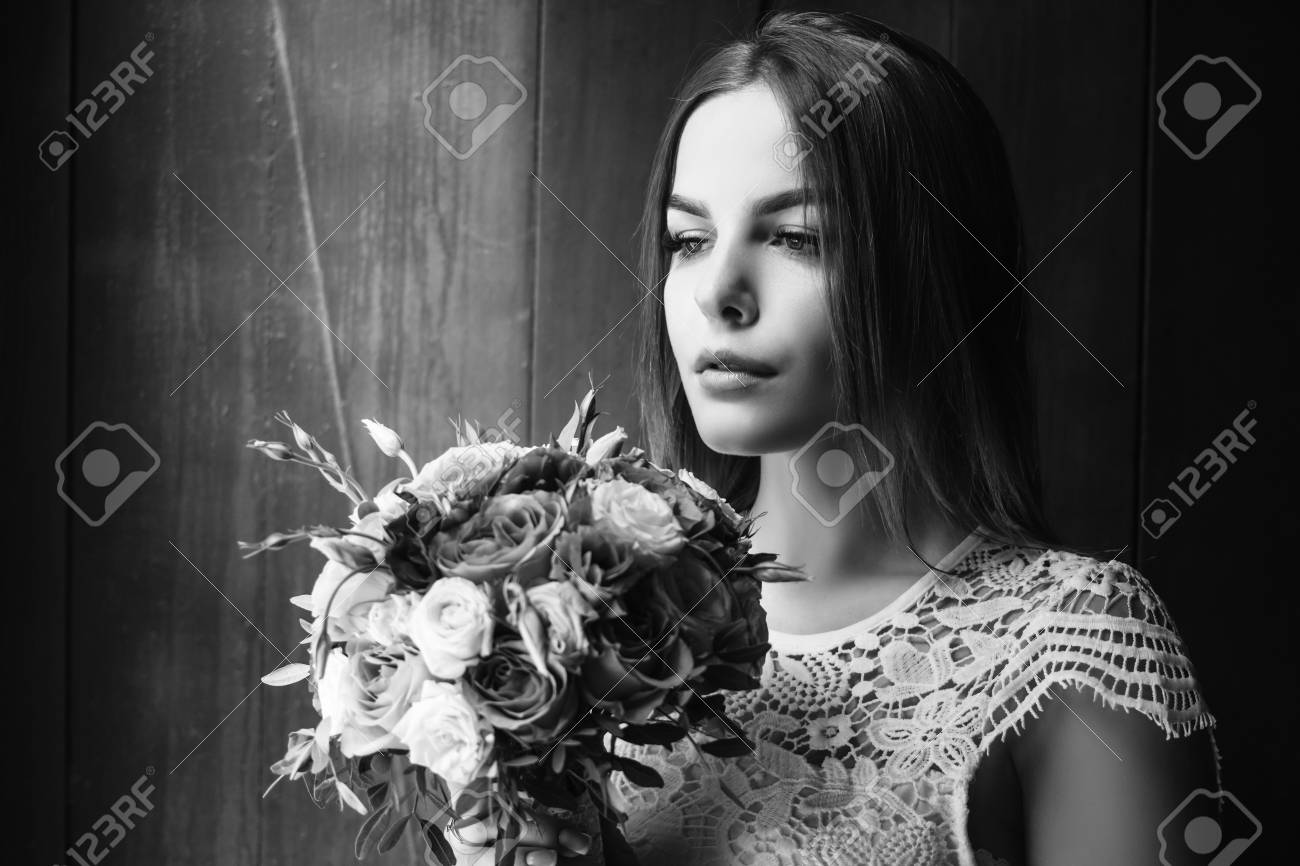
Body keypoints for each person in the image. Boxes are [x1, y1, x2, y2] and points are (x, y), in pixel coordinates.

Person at [453, 10, 1219, 865]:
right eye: (689, 240)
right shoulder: (575, 628)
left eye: (794, 237)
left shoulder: (1070, 646)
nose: (719, 293)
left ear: (928, 266)